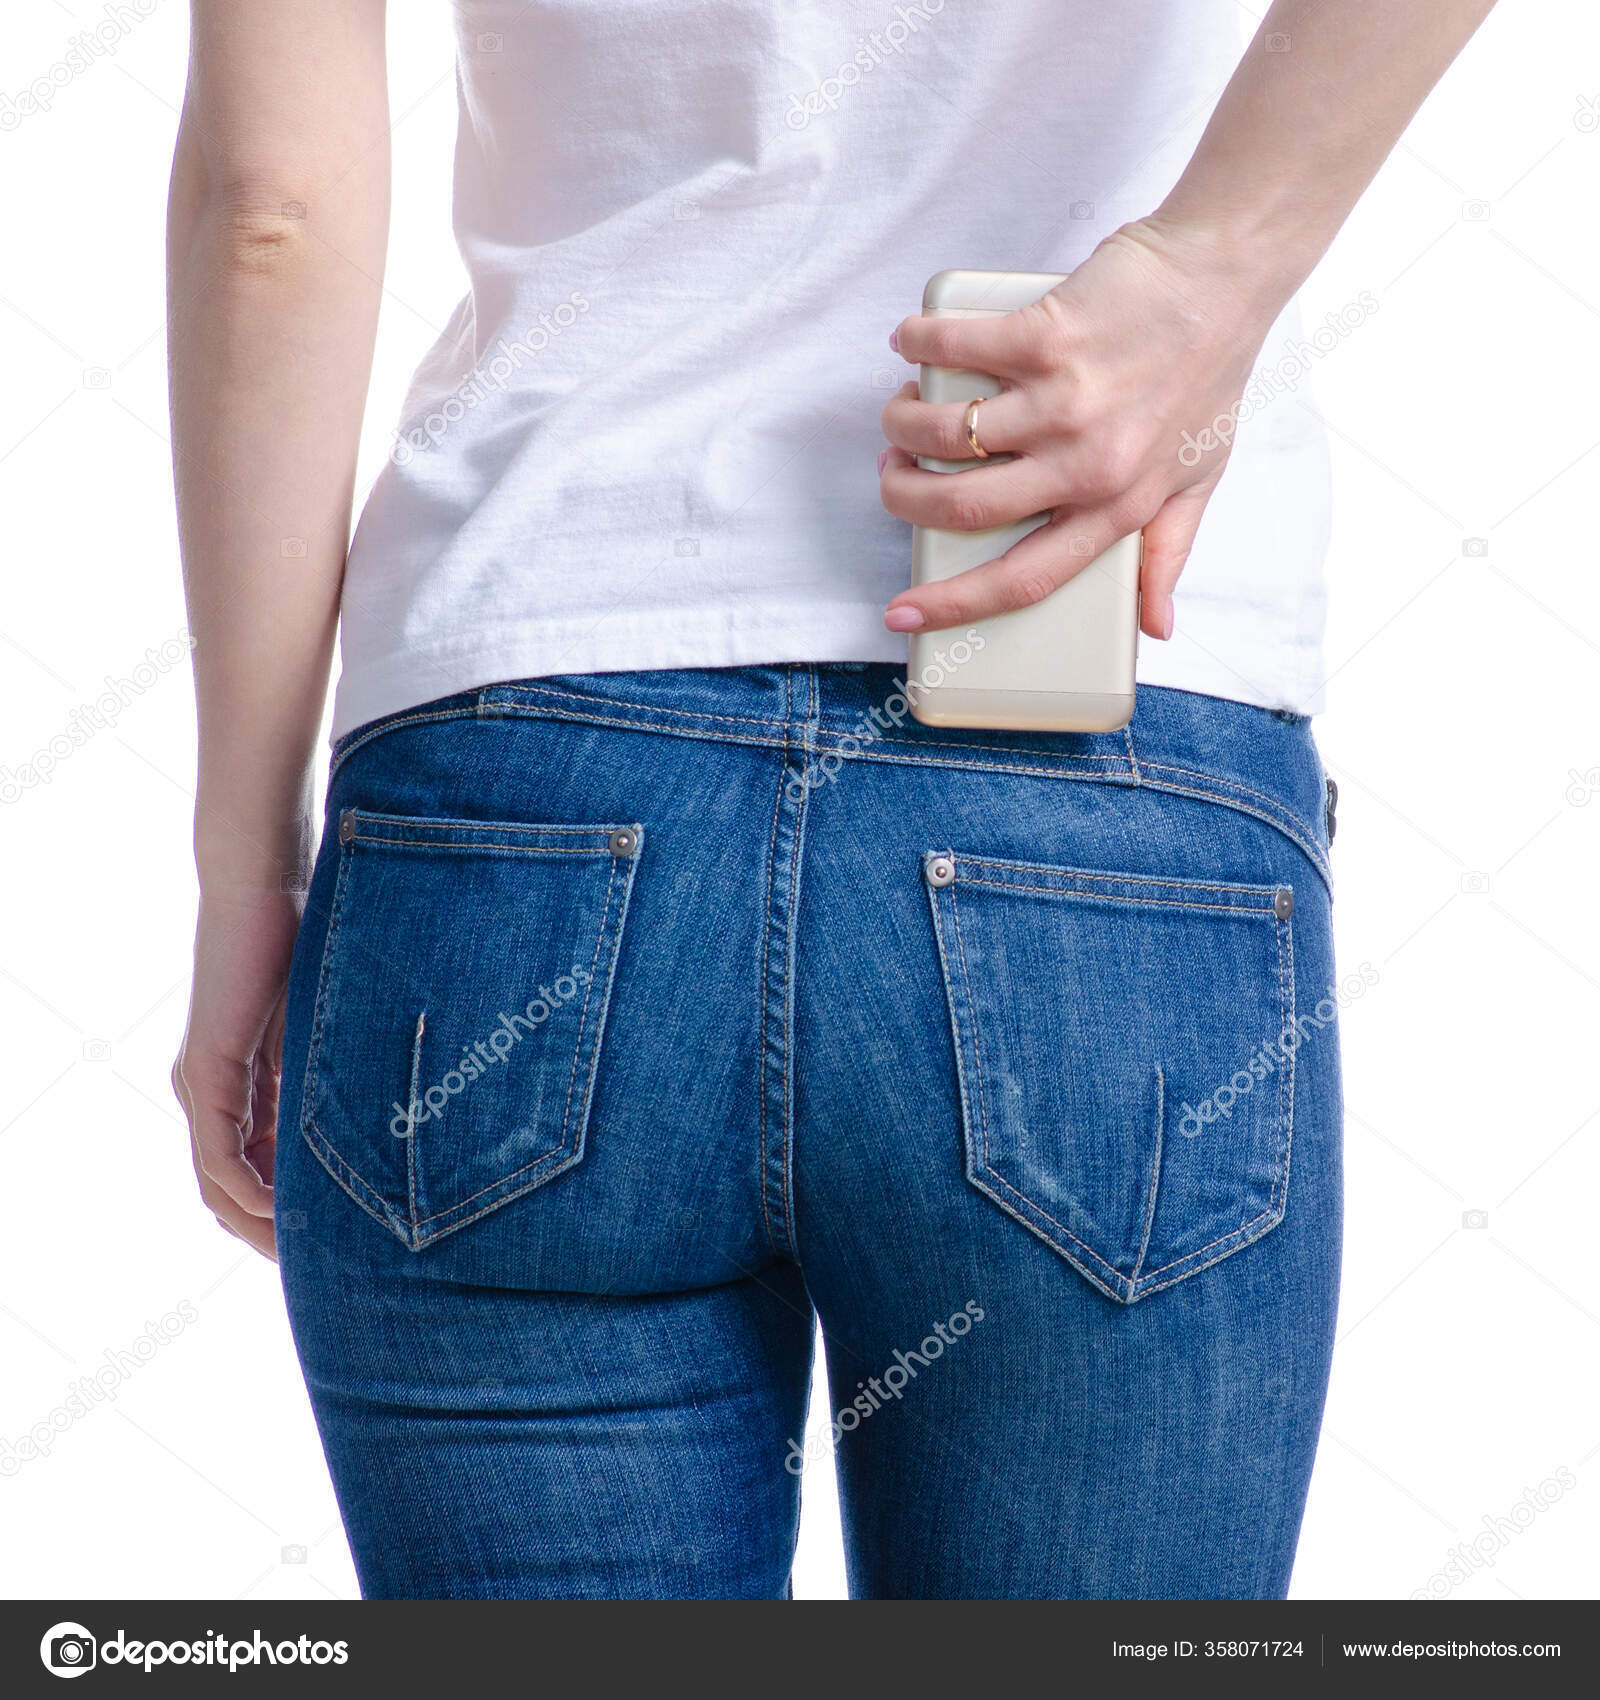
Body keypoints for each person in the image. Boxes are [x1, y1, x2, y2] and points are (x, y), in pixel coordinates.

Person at [168, 0, 1496, 1599]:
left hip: (509, 815)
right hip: (1103, 793)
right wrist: (1210, 271)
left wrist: (248, 865)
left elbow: (273, 206)